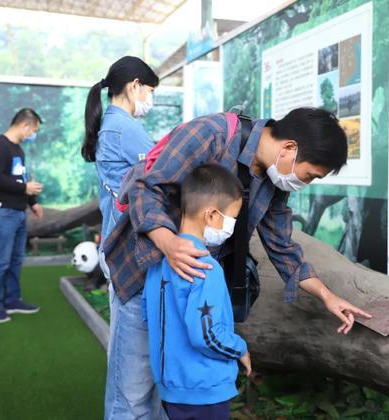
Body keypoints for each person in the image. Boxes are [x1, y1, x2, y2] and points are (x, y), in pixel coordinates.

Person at [104, 107, 372, 418]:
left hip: (193, 286)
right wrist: (168, 242)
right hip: (145, 275)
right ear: (289, 149)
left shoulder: (274, 180)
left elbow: (282, 246)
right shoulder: (210, 134)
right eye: (310, 175)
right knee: (133, 395)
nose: (306, 184)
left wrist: (328, 296)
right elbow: (145, 187)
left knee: (170, 395)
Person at [80, 56, 164, 419]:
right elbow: (165, 170)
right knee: (130, 381)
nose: (150, 98)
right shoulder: (122, 129)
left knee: (139, 367)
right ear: (134, 85)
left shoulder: (115, 126)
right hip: (128, 256)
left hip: (124, 252)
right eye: (150, 90)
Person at [143, 164, 252, 420]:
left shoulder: (157, 263)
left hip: (171, 388)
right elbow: (207, 335)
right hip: (204, 389)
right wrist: (240, 348)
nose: (232, 226)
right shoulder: (205, 266)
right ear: (212, 215)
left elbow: (147, 317)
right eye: (232, 218)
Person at [0, 108, 44, 323]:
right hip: (2, 212)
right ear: (25, 126)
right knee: (0, 260)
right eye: (34, 130)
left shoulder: (18, 150)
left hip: (18, 212)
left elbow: (20, 180)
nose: (33, 135)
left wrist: (33, 202)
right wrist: (24, 188)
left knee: (16, 260)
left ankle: (11, 299)